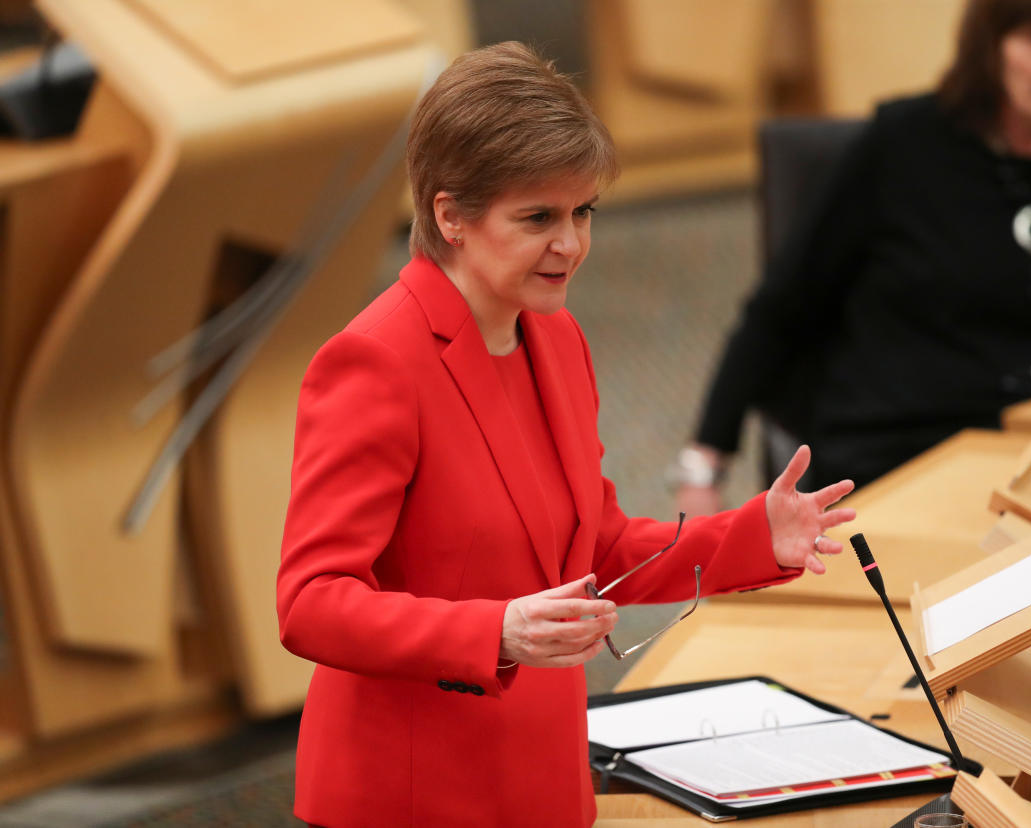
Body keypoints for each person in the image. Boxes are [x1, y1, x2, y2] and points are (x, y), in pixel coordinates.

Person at [276, 42, 856, 828]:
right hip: (414, 793)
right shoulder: (376, 363)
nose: (572, 244)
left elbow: (596, 547)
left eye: (583, 211)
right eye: (538, 218)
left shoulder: (555, 338)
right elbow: (311, 602)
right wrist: (495, 630)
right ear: (451, 216)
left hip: (542, 775)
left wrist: (752, 536)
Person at [674, 0, 1031, 515]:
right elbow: (781, 309)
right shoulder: (904, 143)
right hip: (911, 452)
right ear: (990, 43)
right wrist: (705, 466)